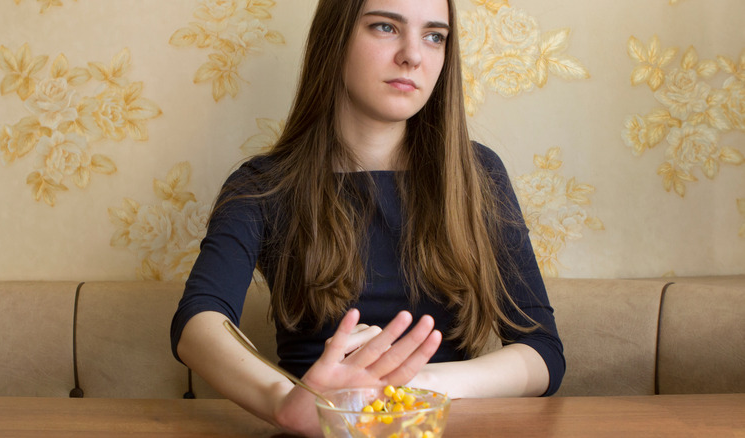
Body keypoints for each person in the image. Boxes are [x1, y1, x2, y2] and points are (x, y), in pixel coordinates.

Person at [171, 0, 564, 435]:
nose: (414, 55)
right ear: (334, 39)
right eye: (384, 27)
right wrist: (292, 405)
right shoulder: (262, 185)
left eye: (435, 36)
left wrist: (413, 386)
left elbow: (541, 350)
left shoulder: (479, 175)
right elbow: (198, 323)